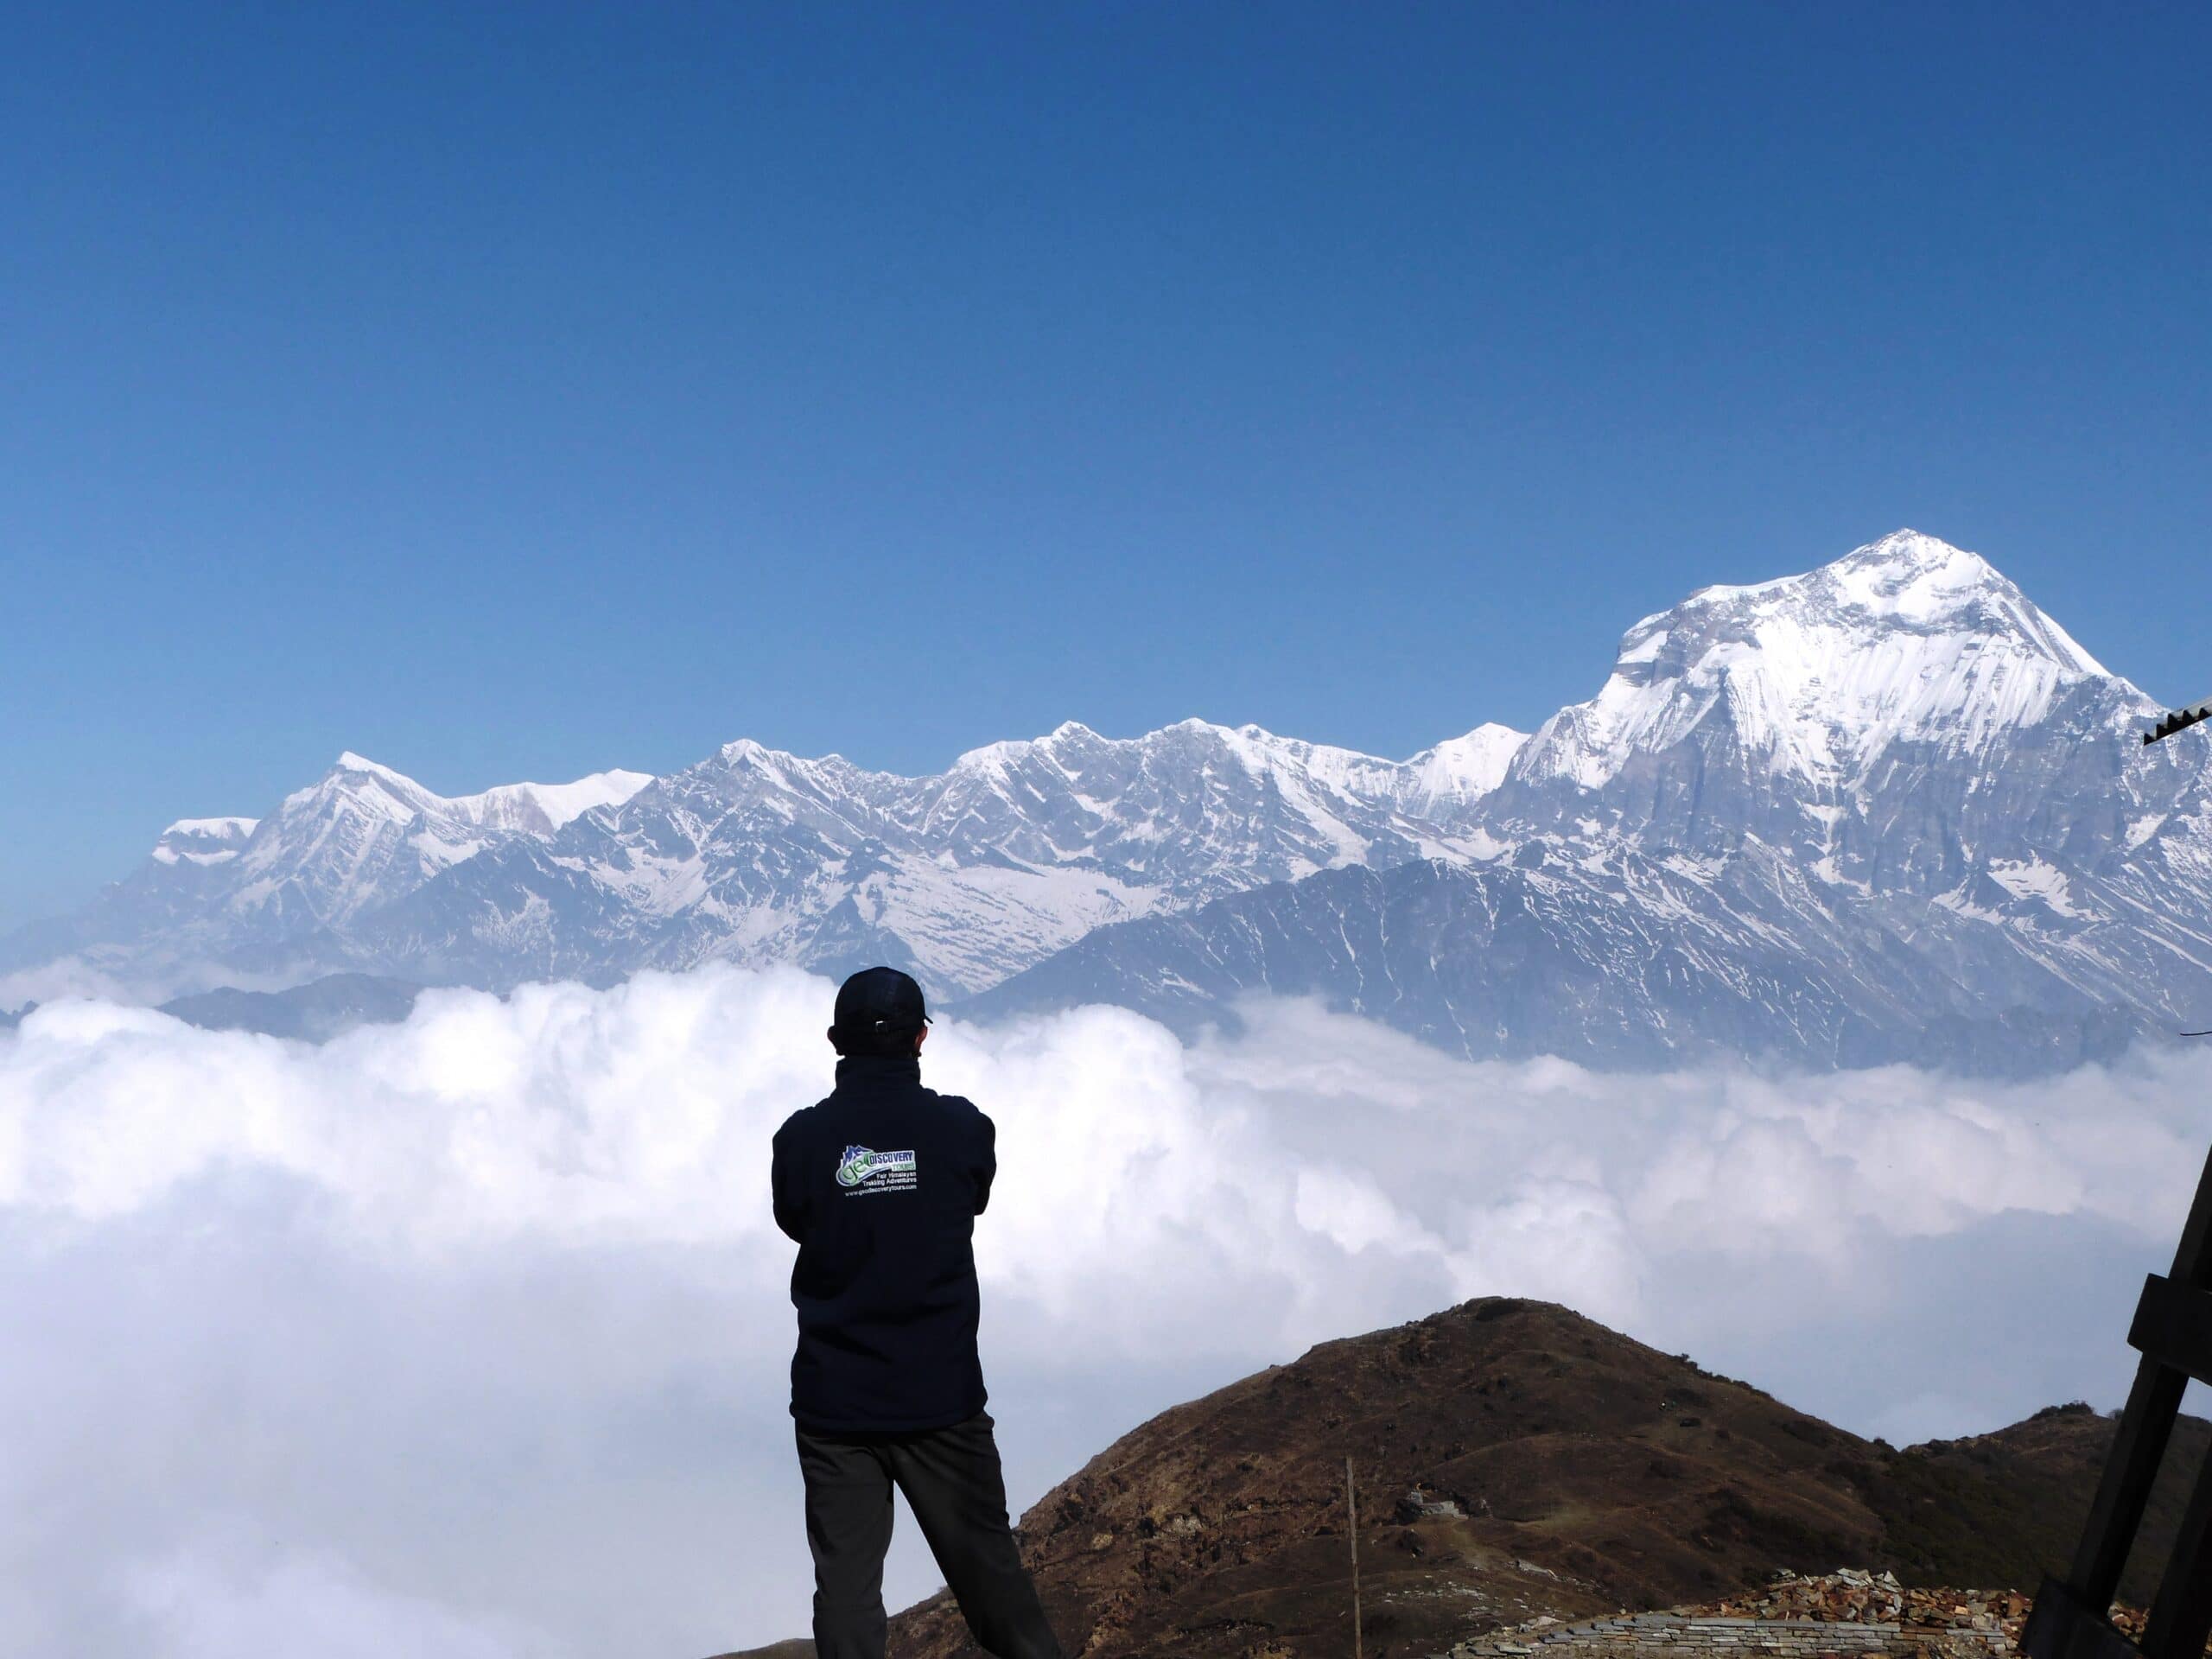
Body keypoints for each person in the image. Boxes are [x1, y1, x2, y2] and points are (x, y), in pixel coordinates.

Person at [770, 965, 1065, 1659]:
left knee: (845, 1592)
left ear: (835, 1041)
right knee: (992, 1580)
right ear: (922, 1037)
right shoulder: (962, 1129)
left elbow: (796, 1219)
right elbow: (973, 1196)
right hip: (942, 1400)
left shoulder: (802, 1141)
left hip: (835, 1403)